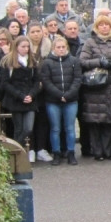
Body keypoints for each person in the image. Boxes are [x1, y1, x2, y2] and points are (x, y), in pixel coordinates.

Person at [78, 15, 111, 161]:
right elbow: (83, 61)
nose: (104, 28)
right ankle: (97, 152)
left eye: (107, 25)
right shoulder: (90, 43)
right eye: (101, 25)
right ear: (96, 28)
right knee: (95, 122)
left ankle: (108, 151)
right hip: (95, 87)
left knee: (110, 121)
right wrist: (98, 61)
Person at [41, 36, 81, 165]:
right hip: (53, 100)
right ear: (53, 48)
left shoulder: (74, 61)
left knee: (70, 128)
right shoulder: (47, 63)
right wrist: (59, 95)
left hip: (71, 100)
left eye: (63, 47)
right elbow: (46, 81)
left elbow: (77, 79)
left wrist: (68, 95)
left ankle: (71, 153)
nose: (61, 49)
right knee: (55, 128)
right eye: (58, 47)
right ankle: (56, 152)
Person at [0, 35, 40, 155]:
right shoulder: (8, 62)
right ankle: (17, 153)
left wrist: (31, 95)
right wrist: (20, 96)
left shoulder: (32, 61)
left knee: (28, 128)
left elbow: (37, 81)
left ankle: (15, 150)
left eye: (28, 46)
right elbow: (5, 83)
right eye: (23, 46)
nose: (26, 49)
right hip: (15, 100)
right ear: (16, 47)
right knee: (18, 128)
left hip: (30, 99)